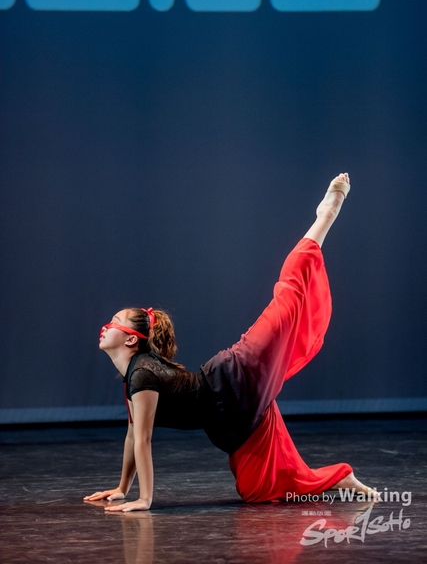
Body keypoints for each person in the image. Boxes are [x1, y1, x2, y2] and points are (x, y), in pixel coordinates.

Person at [84, 173, 376, 512]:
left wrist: (144, 499)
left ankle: (325, 216)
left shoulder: (142, 374)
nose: (105, 326)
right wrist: (122, 488)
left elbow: (144, 440)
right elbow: (133, 436)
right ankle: (339, 479)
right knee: (260, 491)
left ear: (131, 340)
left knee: (288, 298)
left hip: (236, 376)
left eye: (114, 322)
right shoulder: (133, 377)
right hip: (231, 420)